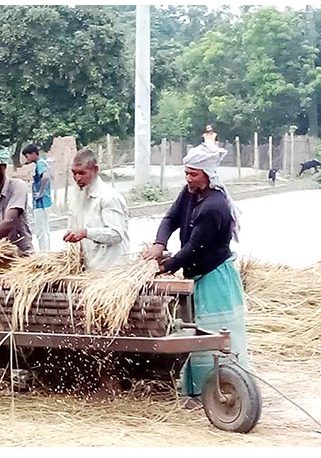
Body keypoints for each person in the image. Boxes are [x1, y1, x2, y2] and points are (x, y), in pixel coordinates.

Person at [141, 139, 249, 400]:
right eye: (186, 173)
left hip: (214, 278)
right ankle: (198, 391)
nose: (188, 179)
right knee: (196, 332)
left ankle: (224, 389)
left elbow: (194, 248)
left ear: (208, 175)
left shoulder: (214, 206)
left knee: (213, 336)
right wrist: (158, 245)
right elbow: (170, 218)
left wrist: (165, 267)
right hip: (196, 277)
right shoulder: (189, 193)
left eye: (193, 174)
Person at [62, 148, 130, 270]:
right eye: (74, 173)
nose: (77, 178)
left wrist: (86, 233)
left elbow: (116, 234)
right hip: (89, 268)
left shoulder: (109, 197)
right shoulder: (75, 196)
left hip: (112, 270)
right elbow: (73, 228)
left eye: (82, 173)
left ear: (96, 170)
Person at [22, 144, 53, 252]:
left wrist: (40, 192)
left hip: (41, 202)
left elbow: (46, 176)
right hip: (43, 201)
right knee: (44, 229)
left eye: (27, 156)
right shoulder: (41, 163)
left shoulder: (40, 163)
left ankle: (44, 252)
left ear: (34, 154)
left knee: (40, 230)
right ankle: (46, 251)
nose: (27, 159)